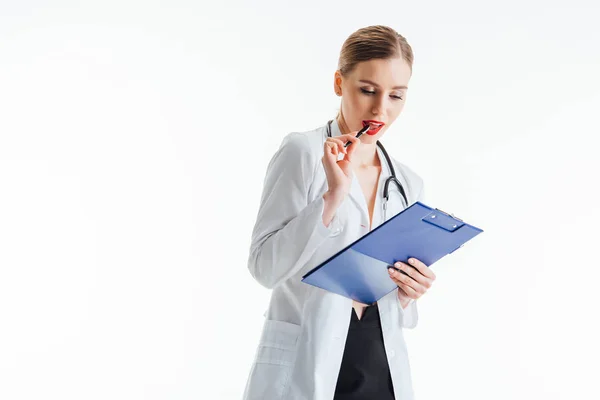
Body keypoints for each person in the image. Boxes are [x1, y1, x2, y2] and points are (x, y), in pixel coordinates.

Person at [242, 25, 437, 400]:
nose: (381, 108)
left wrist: (410, 290)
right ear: (338, 83)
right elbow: (264, 267)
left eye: (396, 95)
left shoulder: (407, 184)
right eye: (368, 90)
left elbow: (397, 306)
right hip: (307, 361)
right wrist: (332, 197)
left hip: (379, 364)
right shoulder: (303, 153)